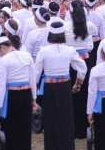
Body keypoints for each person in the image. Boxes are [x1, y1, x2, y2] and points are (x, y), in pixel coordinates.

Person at [35, 19, 86, 150]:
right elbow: (82, 67)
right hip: (64, 86)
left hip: (50, 87)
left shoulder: (43, 51)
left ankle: (52, 146)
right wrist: (78, 83)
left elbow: (36, 73)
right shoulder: (69, 50)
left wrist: (34, 91)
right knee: (65, 118)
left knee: (51, 119)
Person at [0, 35, 37, 150]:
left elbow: (1, 86)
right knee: (25, 128)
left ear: (2, 47)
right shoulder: (26, 56)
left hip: (11, 97)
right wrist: (34, 99)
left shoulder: (4, 60)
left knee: (11, 129)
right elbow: (33, 79)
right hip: (26, 94)